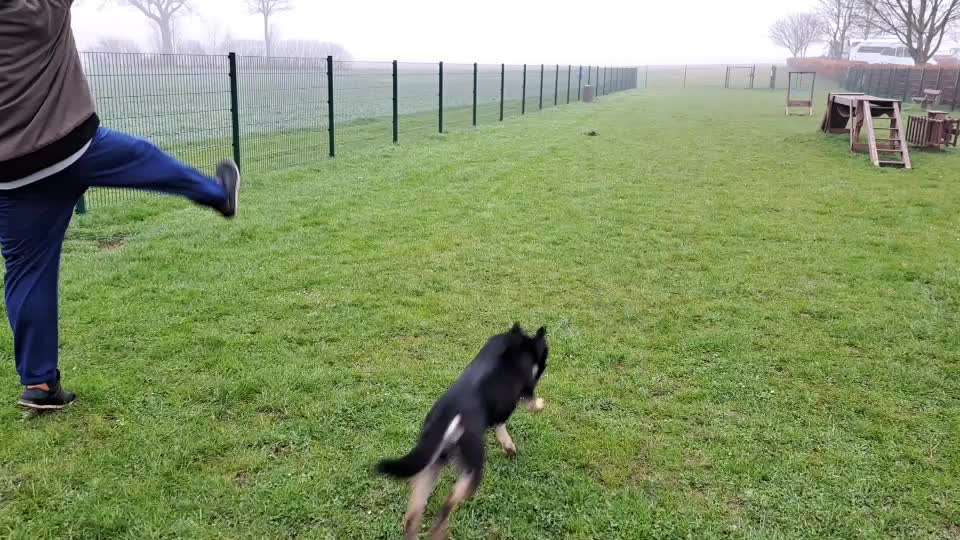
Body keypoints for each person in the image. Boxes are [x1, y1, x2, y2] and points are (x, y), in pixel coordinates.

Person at [0, 1, 240, 410]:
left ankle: (39, 384)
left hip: (12, 173)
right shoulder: (42, 8)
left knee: (27, 272)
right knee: (149, 161)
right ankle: (219, 194)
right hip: (74, 147)